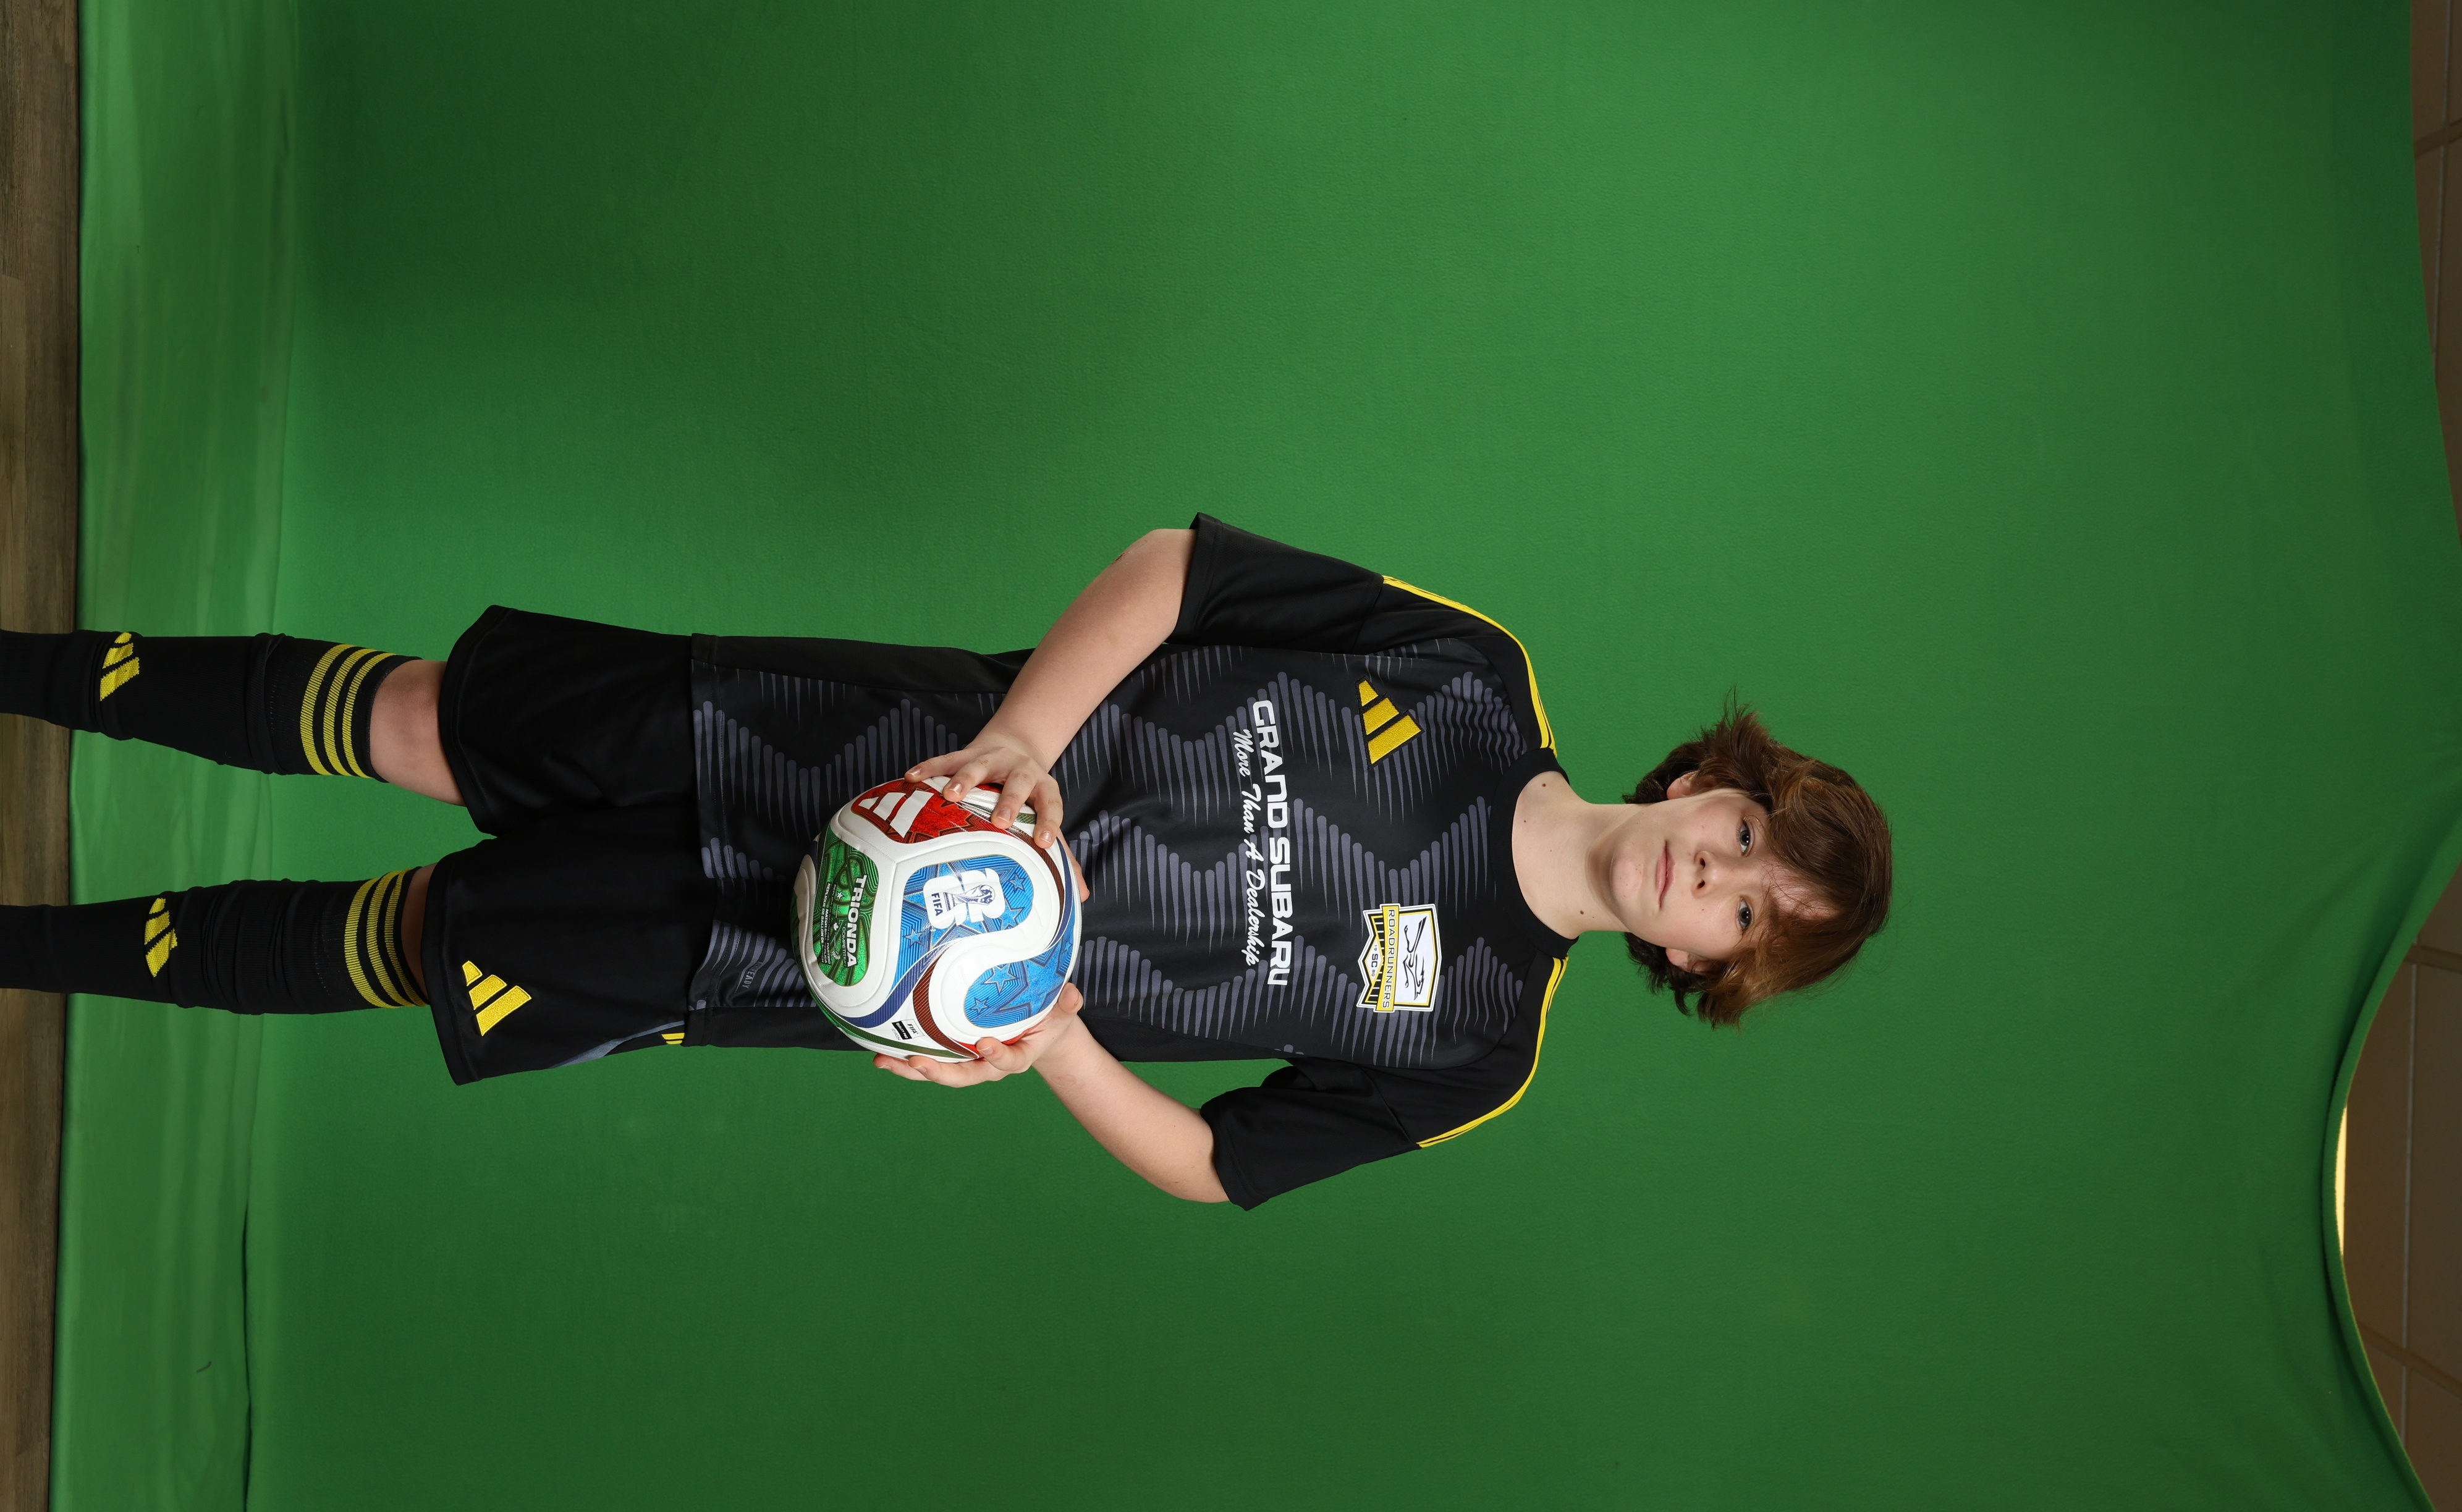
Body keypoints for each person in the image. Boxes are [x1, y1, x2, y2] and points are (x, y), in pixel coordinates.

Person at [0, 517, 1892, 1207]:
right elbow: (1178, 571)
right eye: (1744, 838)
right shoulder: (1471, 679)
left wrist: (1042, 1037)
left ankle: (21, 948)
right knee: (422, 721)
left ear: (1706, 965)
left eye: (1749, 916)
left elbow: (1220, 1166)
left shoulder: (1477, 1047)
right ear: (1709, 782)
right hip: (845, 739)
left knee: (425, 937)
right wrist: (1018, 748)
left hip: (818, 951)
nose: (1714, 879)